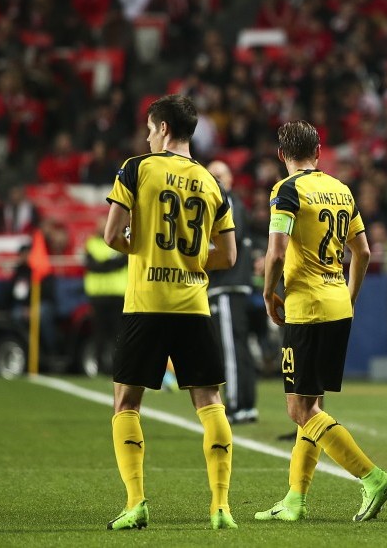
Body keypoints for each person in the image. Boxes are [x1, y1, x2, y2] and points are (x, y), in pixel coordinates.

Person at [103, 94, 239, 531]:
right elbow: (229, 255)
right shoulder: (211, 181)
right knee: (210, 401)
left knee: (126, 402)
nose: (146, 135)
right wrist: (193, 259)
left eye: (148, 128)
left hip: (146, 302)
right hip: (194, 304)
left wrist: (138, 245)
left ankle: (136, 503)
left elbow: (111, 236)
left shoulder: (137, 167)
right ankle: (221, 507)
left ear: (161, 128)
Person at [255, 120, 387, 523]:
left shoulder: (286, 191)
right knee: (315, 406)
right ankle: (295, 499)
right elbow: (364, 252)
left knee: (300, 410)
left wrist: (269, 293)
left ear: (282, 155)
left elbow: (278, 252)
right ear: (319, 150)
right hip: (337, 305)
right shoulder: (341, 189)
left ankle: (372, 477)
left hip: (306, 309)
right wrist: (348, 297)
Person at [206, 159, 259, 424]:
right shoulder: (237, 203)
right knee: (239, 346)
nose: (214, 180)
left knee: (230, 349)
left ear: (229, 179)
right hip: (236, 285)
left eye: (219, 175)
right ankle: (247, 404)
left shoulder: (224, 202)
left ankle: (236, 405)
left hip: (226, 285)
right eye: (211, 175)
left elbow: (228, 242)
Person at [83, 217, 127, 375]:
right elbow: (92, 265)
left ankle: (118, 367)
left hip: (118, 295)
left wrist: (103, 264)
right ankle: (101, 366)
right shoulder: (91, 243)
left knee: (118, 333)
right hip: (99, 296)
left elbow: (122, 261)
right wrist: (110, 263)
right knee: (100, 333)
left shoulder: (121, 241)